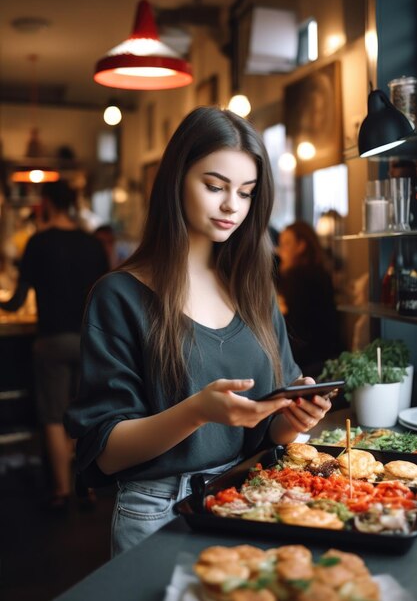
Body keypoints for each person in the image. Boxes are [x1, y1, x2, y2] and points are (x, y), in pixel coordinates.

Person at [64, 106, 332, 556]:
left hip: (251, 497)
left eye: (246, 193)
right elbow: (106, 451)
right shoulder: (119, 295)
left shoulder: (254, 288)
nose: (232, 206)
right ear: (176, 181)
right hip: (159, 511)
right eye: (214, 187)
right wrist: (198, 411)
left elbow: (271, 431)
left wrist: (291, 419)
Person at [0, 180, 109, 510]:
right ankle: (86, 487)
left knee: (52, 415)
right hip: (89, 340)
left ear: (46, 203)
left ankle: (61, 490)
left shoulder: (38, 242)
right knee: (84, 413)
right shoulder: (92, 244)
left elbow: (18, 300)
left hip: (51, 340)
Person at [276, 220, 342, 378]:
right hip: (327, 355)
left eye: (286, 244)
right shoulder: (320, 273)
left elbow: (295, 326)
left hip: (308, 361)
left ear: (301, 246)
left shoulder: (297, 277)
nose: (280, 250)